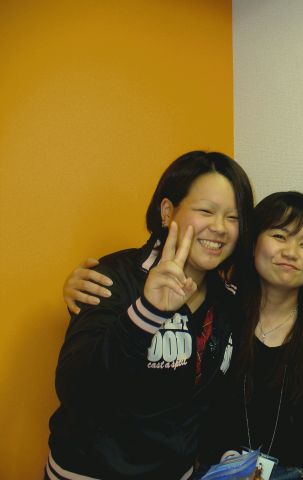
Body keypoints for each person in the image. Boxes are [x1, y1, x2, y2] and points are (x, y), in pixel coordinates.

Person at [47, 151, 254, 480]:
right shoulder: (113, 277)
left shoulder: (227, 300)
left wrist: (228, 457)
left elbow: (209, 404)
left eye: (233, 217)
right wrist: (147, 311)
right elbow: (75, 389)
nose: (220, 228)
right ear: (167, 211)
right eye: (206, 211)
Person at [196, 191, 303, 480]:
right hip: (219, 469)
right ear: (253, 243)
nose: (291, 252)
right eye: (279, 236)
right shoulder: (219, 312)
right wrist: (230, 464)